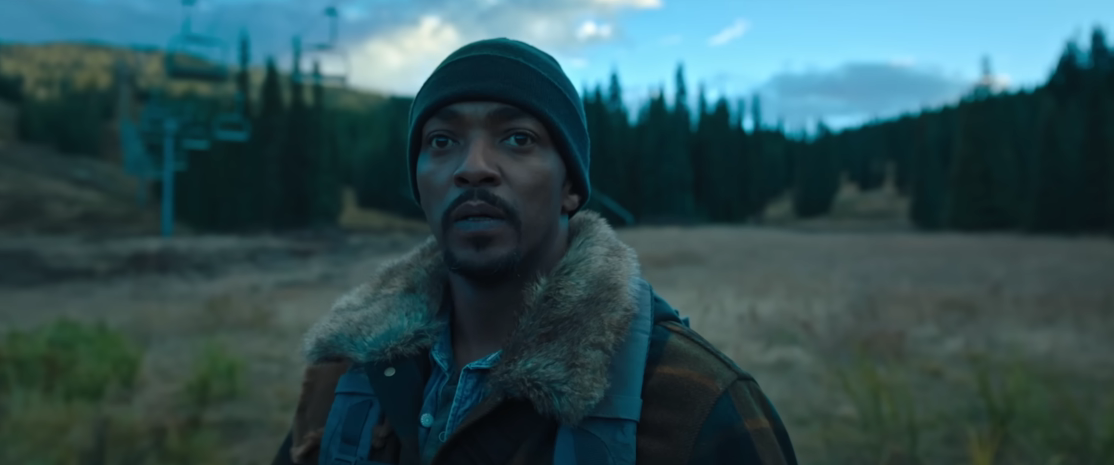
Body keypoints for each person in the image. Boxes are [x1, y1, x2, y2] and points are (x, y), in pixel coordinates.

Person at [270, 37, 797, 465]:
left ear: (570, 187)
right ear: (420, 187)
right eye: (442, 141)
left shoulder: (694, 402)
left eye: (517, 138)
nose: (473, 167)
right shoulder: (353, 375)